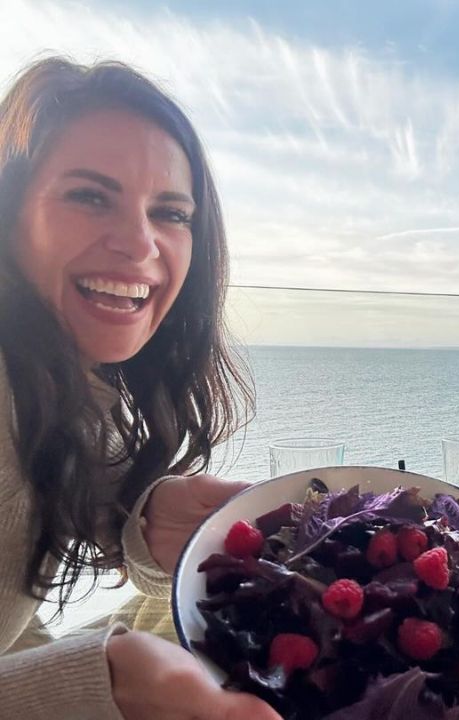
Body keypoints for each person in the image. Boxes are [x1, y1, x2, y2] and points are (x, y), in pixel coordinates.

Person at [0, 58, 281, 719]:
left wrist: (147, 516)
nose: (138, 242)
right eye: (89, 196)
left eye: (170, 213)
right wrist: (94, 686)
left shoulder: (57, 379)